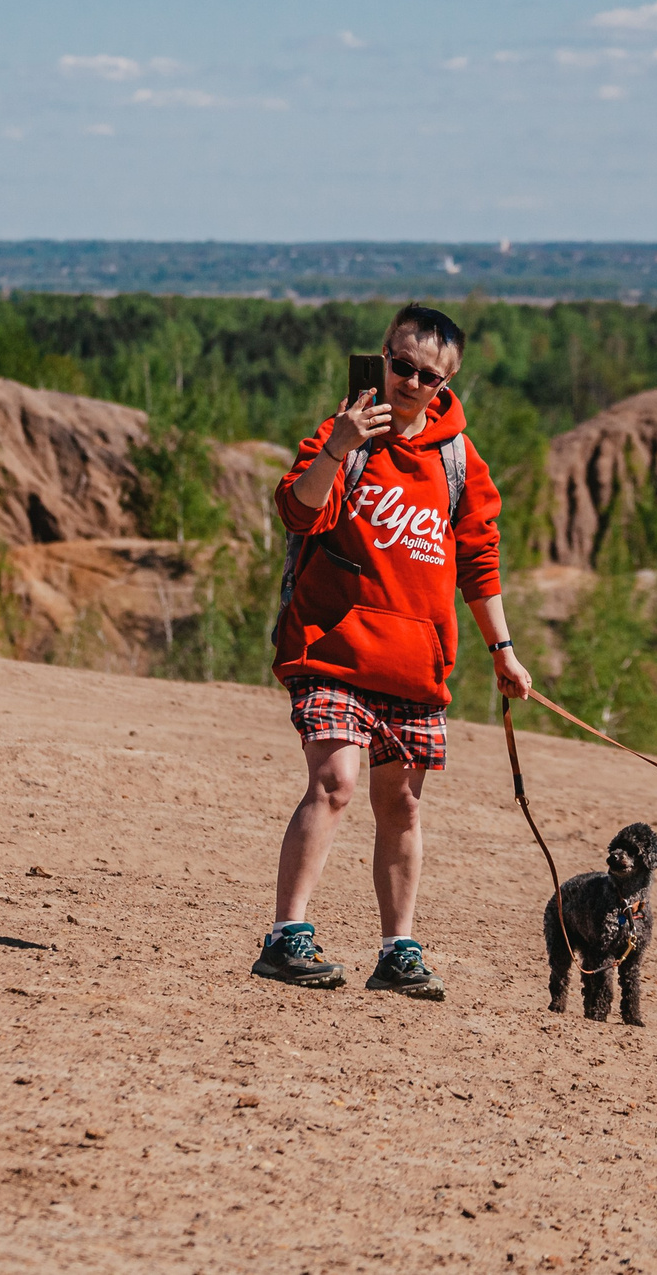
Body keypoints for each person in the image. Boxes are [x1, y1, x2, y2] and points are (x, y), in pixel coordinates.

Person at [251, 304, 533, 999]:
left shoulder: (459, 459)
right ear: (381, 355)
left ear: (447, 383)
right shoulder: (342, 434)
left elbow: (480, 560)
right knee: (336, 780)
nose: (409, 381)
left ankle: (397, 949)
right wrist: (337, 448)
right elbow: (296, 509)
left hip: (413, 662)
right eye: (399, 364)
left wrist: (503, 648)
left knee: (401, 806)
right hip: (333, 647)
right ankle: (288, 935)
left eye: (427, 375)